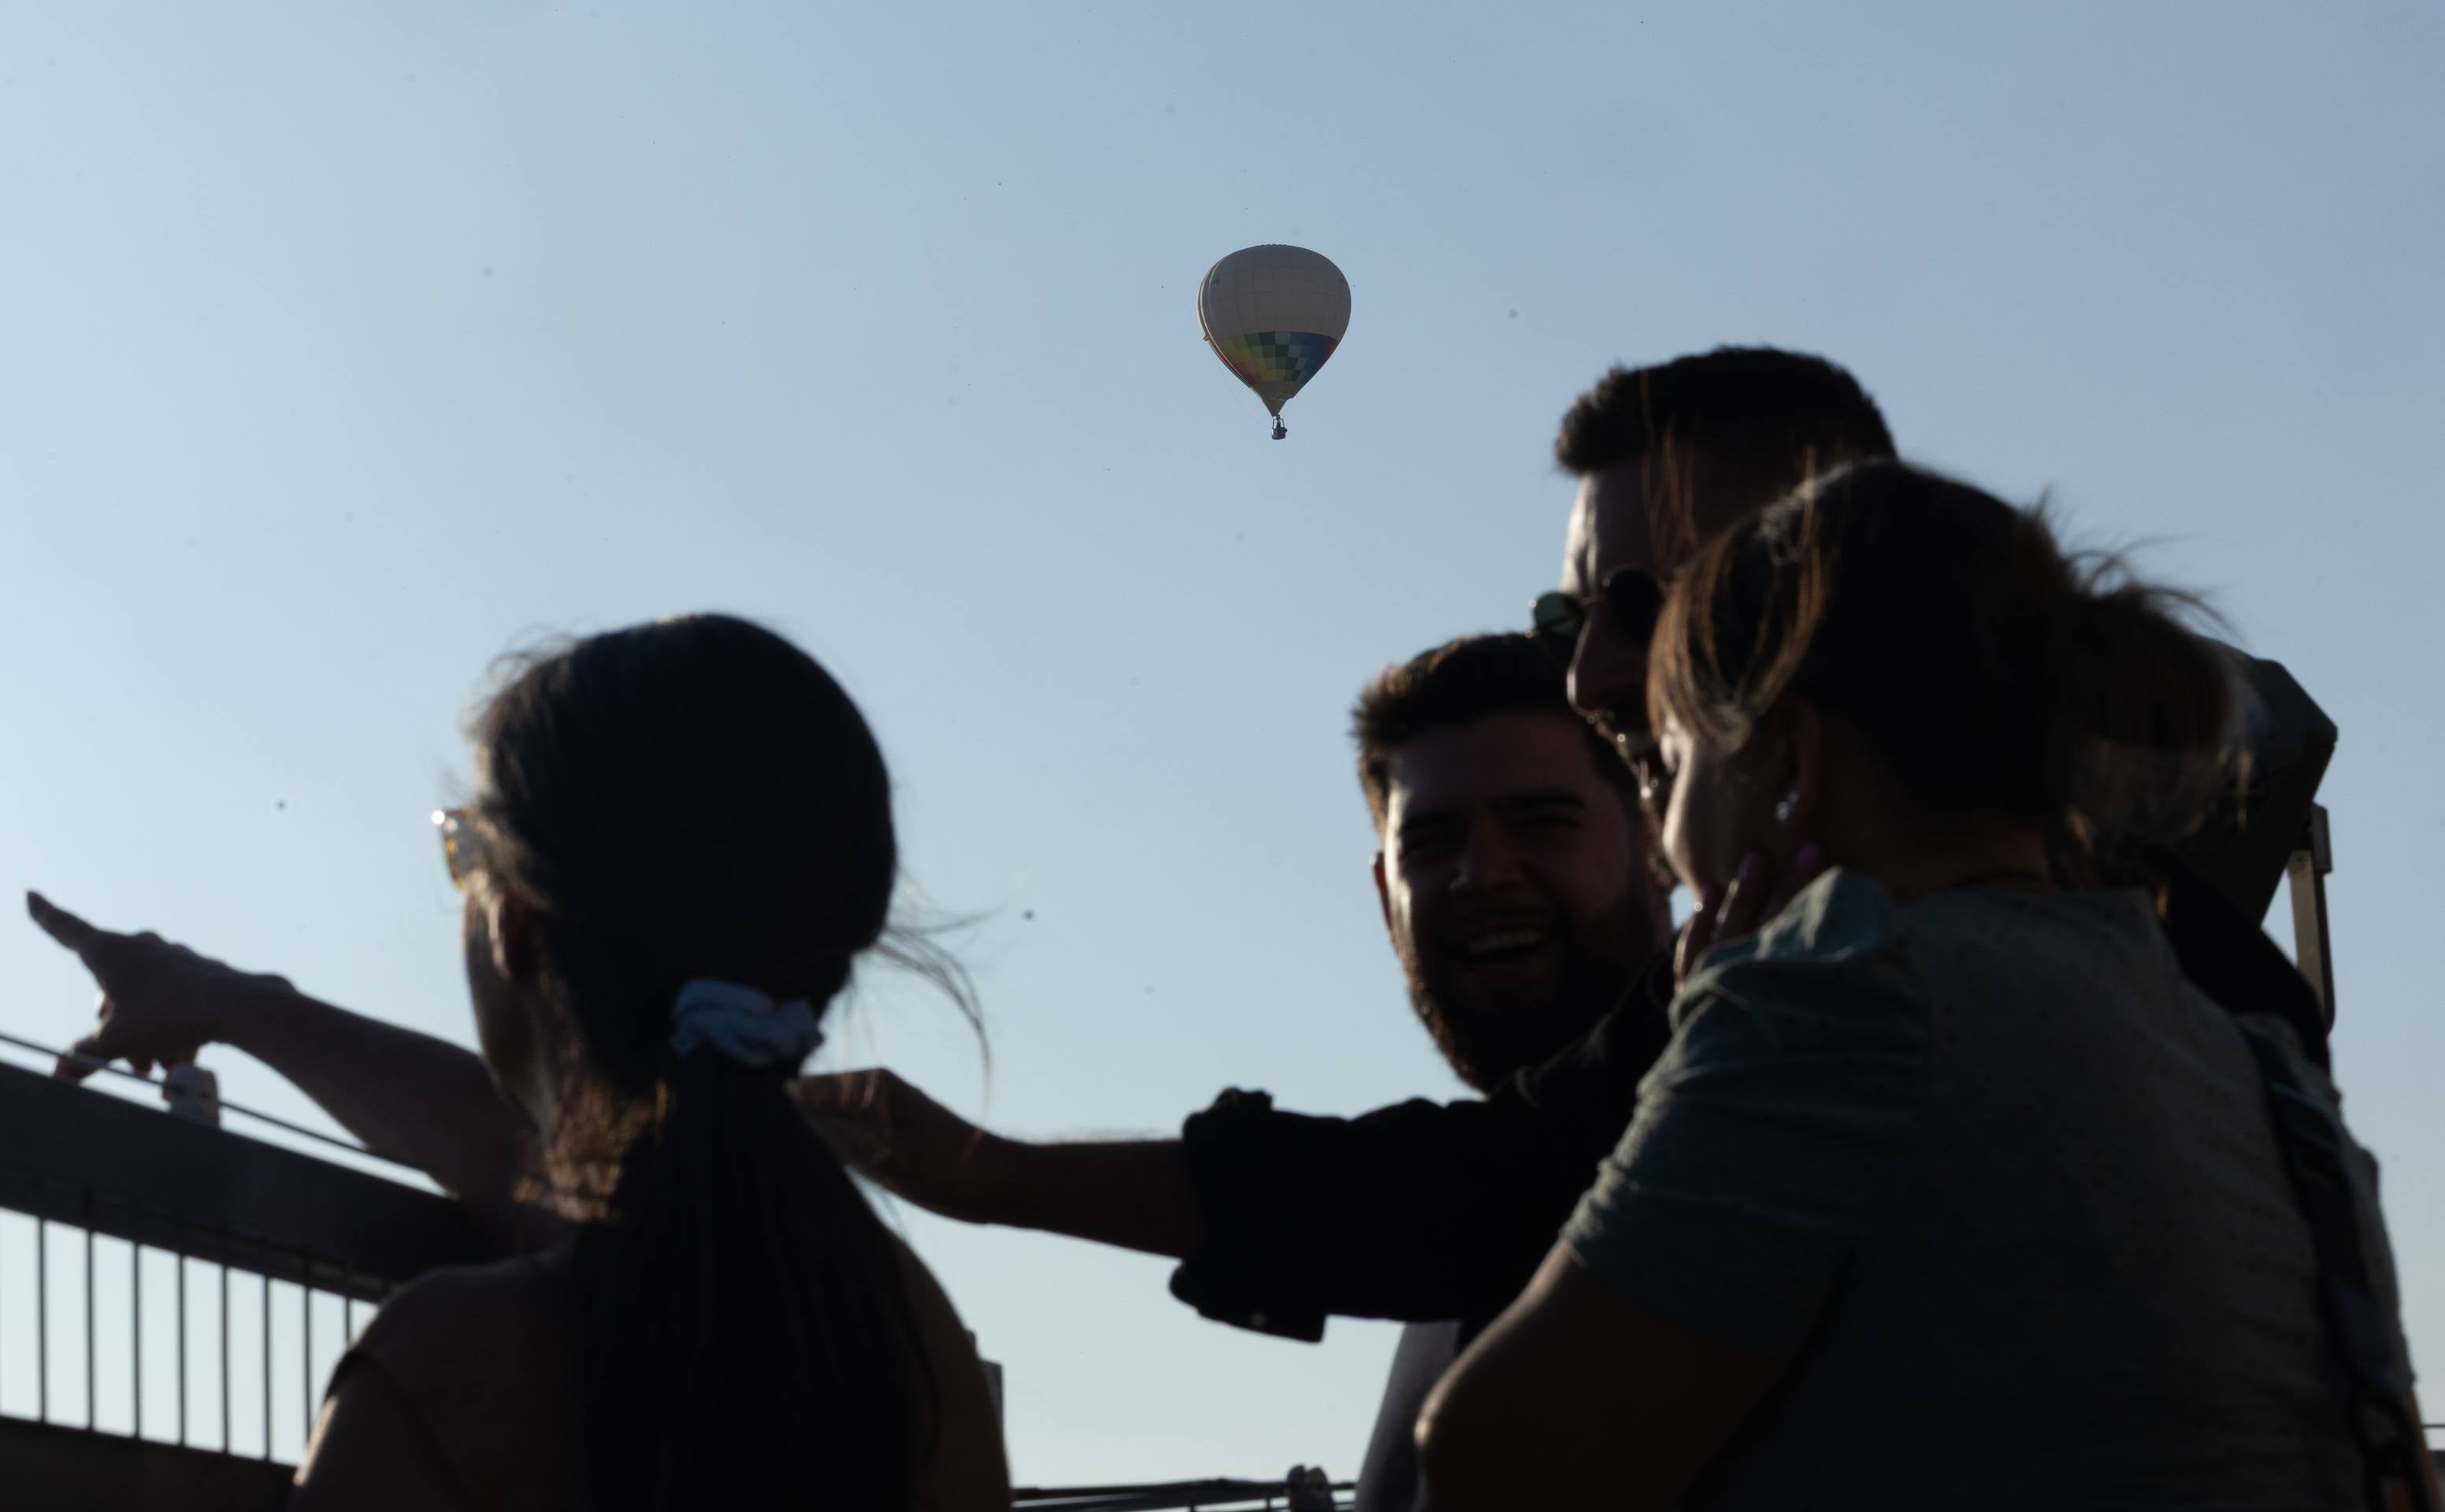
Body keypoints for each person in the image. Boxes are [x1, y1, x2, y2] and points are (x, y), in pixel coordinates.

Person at [792, 349, 1908, 1345]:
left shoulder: (1899, 999)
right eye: (1568, 623)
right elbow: (1467, 1190)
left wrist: (991, 1177)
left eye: (1646, 605)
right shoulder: (1763, 983)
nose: (1594, 675)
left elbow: (1478, 1316)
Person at [1415, 462, 2427, 1510]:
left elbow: (1487, 1460)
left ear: (1789, 760)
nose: (1667, 840)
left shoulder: (1826, 1004)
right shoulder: (2274, 1082)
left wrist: (1695, 1061)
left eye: (1671, 762)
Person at [32, 615, 1008, 1511]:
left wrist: (232, 1003)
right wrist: (238, 1003)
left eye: (463, 850)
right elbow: (537, 1164)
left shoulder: (444, 1374)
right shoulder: (918, 1364)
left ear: (519, 928)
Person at [1345, 635, 1664, 1510]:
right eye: (1433, 841)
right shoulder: (1443, 1250)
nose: (1481, 876)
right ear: (1385, 897)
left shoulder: (1753, 1145)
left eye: (1540, 823)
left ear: (1657, 848)